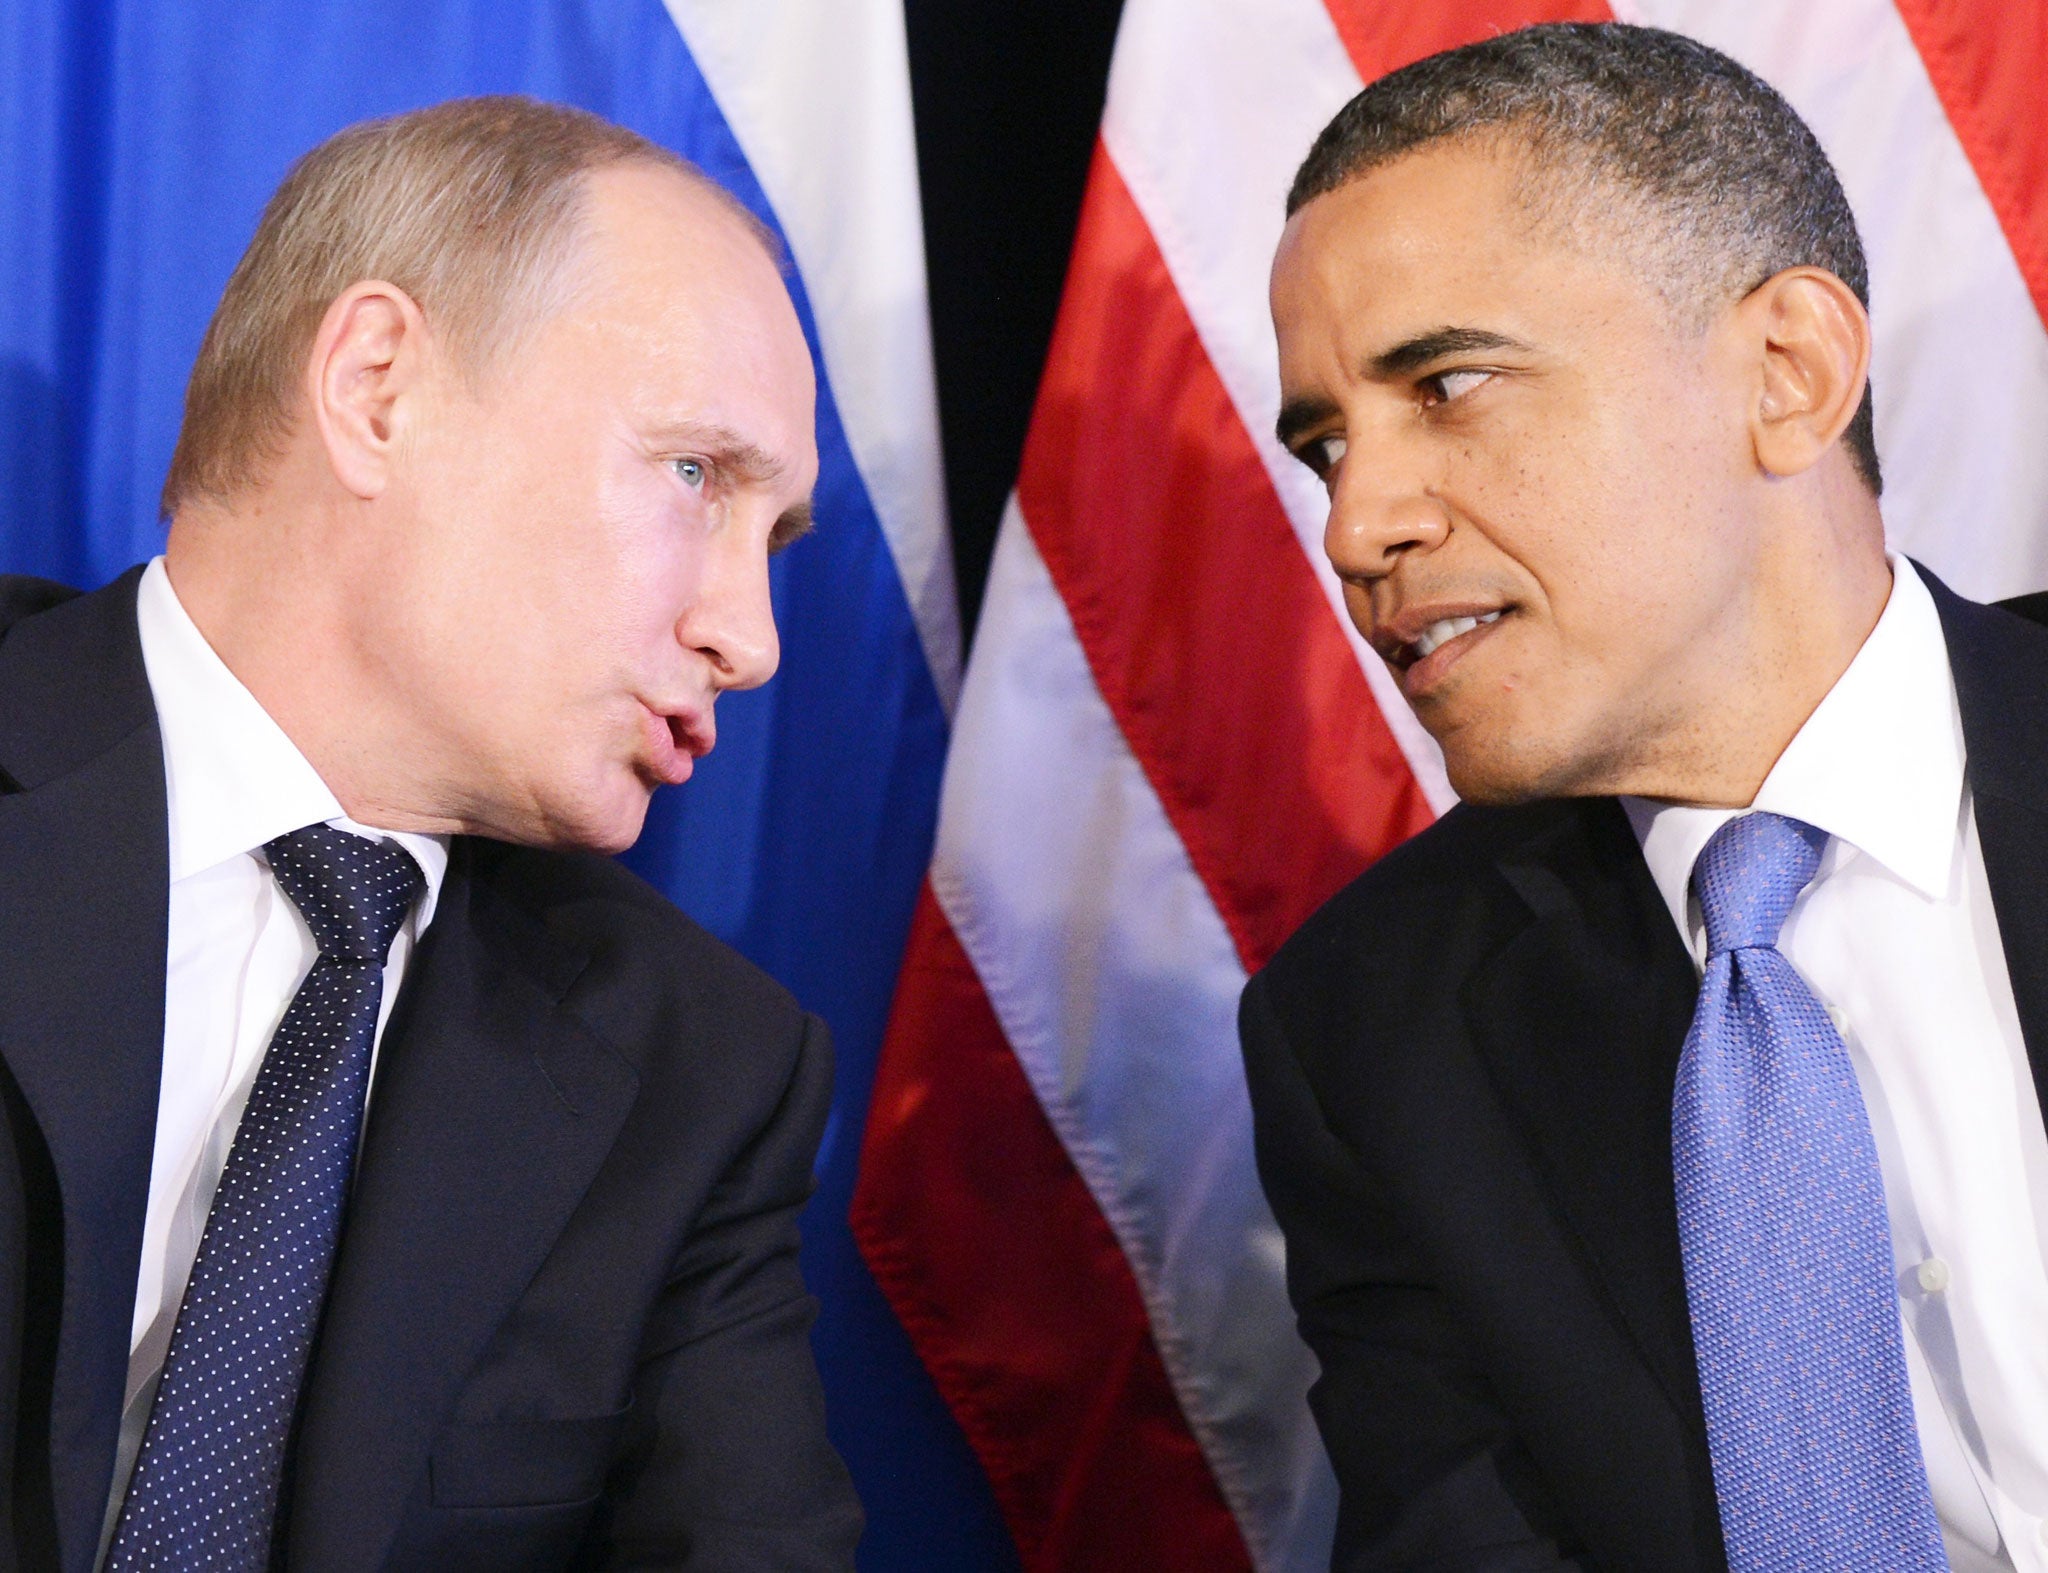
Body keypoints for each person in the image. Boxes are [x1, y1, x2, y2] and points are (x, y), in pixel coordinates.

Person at [0, 96, 862, 1569]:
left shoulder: (698, 1070)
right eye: (696, 476)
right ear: (379, 388)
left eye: (775, 542)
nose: (751, 636)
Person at [1243, 23, 2048, 1573]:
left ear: (1788, 374)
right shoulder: (1370, 1032)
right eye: (1327, 445)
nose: (1357, 525)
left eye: (1450, 385)